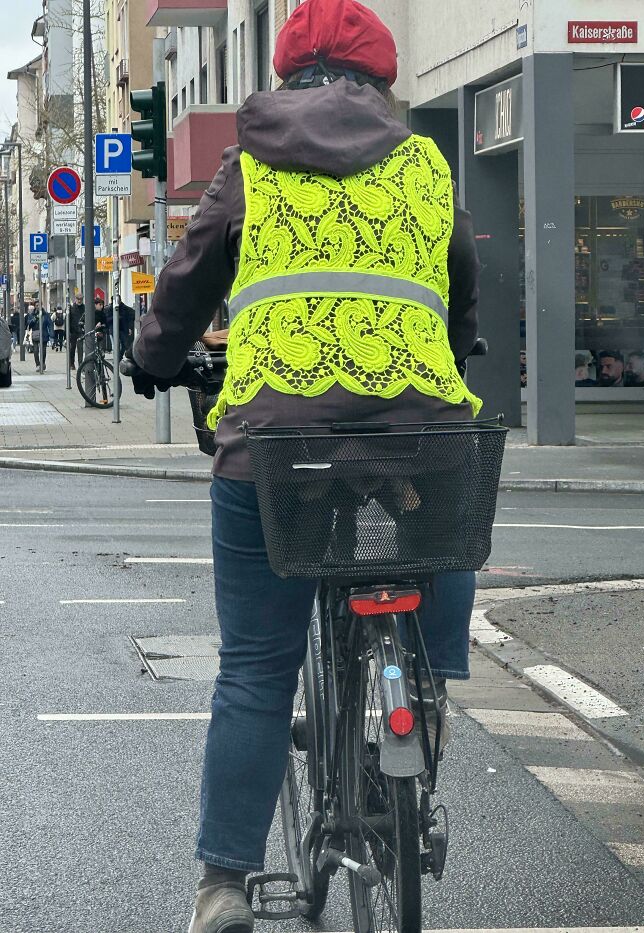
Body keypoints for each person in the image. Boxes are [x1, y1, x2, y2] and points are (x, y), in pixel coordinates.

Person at [123, 2, 481, 929]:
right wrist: (452, 353)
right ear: (382, 79)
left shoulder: (249, 167)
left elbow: (188, 280)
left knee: (254, 669)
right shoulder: (426, 163)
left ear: (284, 76)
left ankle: (224, 885)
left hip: (277, 445)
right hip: (414, 437)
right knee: (448, 492)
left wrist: (153, 357)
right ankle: (428, 680)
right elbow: (459, 285)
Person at [26, 305, 52, 371]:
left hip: (44, 333)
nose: (38, 306)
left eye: (39, 305)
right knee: (35, 350)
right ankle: (37, 364)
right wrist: (34, 319)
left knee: (43, 350)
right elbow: (29, 324)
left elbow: (50, 324)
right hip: (36, 333)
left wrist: (51, 333)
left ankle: (42, 363)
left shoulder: (46, 314)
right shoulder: (32, 315)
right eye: (37, 305)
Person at [69, 294, 85, 370]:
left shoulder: (84, 308)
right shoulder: (72, 308)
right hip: (73, 331)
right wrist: (68, 332)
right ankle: (71, 363)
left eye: (81, 299)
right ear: (75, 299)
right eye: (78, 299)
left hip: (81, 331)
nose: (79, 300)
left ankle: (80, 364)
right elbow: (68, 320)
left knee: (80, 348)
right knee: (72, 348)